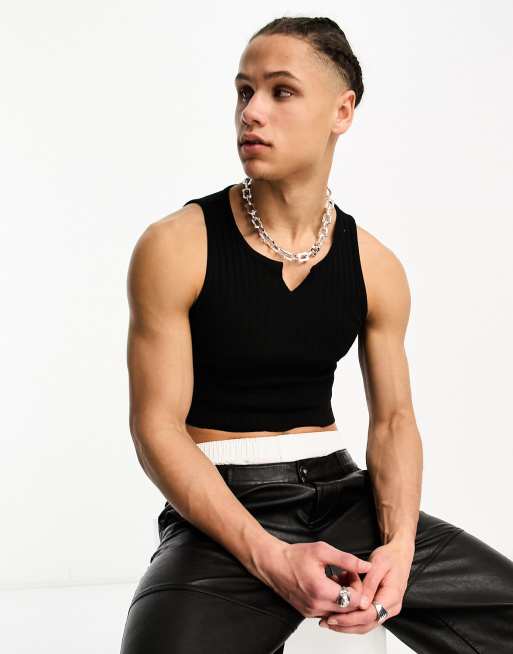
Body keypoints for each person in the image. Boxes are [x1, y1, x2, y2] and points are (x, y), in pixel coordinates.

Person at [120, 16, 513, 654]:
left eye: (281, 91)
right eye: (244, 91)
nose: (251, 112)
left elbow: (394, 421)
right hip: (225, 506)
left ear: (342, 111)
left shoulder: (376, 266)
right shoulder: (176, 245)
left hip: (344, 497)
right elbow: (156, 428)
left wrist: (399, 550)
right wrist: (271, 557)